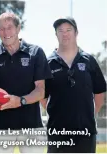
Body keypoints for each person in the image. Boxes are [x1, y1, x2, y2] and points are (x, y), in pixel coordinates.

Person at [0, 12, 52, 153]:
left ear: (18, 28)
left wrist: (20, 101)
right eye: (1, 28)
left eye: (10, 27)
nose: (6, 32)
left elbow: (40, 91)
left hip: (31, 127)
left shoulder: (36, 53)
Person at [40, 17, 106, 153]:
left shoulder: (89, 61)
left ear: (76, 33)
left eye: (69, 30)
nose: (65, 34)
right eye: (60, 30)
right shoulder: (47, 63)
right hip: (57, 133)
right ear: (56, 34)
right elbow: (42, 96)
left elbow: (99, 95)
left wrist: (86, 116)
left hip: (85, 133)